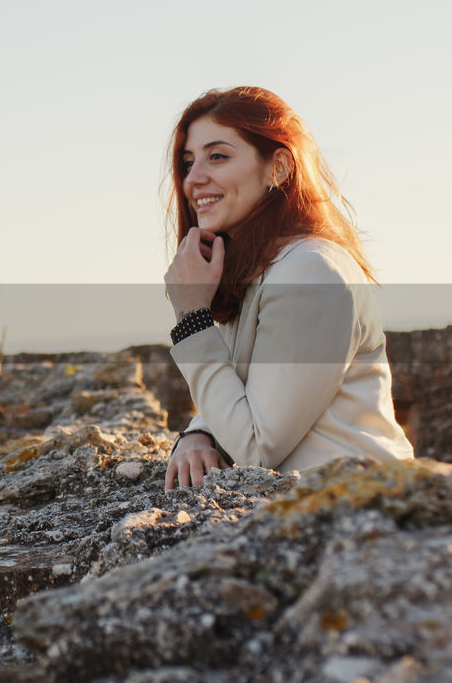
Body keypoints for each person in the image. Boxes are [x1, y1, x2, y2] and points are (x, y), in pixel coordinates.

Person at [162, 86, 412, 490]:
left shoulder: (310, 273)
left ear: (277, 168)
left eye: (218, 156)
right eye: (188, 162)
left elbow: (256, 451)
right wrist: (199, 433)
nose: (193, 179)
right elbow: (247, 391)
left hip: (360, 518)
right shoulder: (259, 270)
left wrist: (192, 319)